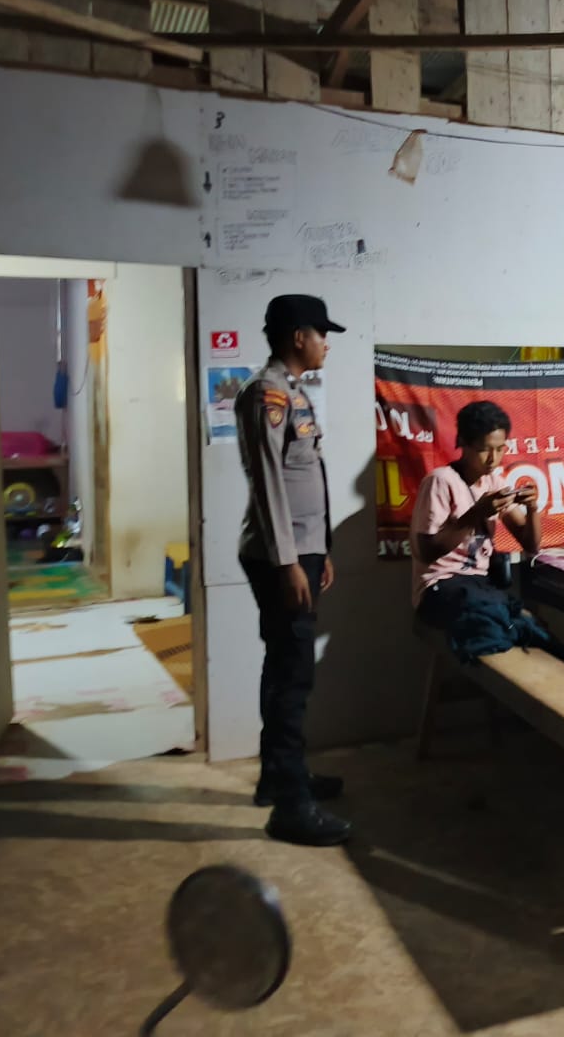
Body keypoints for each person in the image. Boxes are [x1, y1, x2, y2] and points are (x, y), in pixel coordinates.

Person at [236, 294, 350, 847]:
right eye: (321, 334)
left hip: (299, 552)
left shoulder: (294, 391)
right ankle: (291, 806)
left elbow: (304, 480)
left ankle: (279, 775)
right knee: (293, 677)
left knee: (284, 667)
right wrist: (288, 562)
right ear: (298, 336)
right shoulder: (268, 394)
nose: (327, 343)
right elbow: (268, 484)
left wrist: (317, 551)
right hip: (280, 557)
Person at [411, 400, 542, 627]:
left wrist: (532, 508)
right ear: (463, 443)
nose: (493, 459)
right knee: (495, 621)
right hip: (441, 585)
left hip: (479, 585)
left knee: (532, 629)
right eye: (484, 449)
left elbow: (531, 544)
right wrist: (478, 512)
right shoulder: (441, 480)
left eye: (500, 449)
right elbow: (426, 552)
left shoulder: (494, 482)